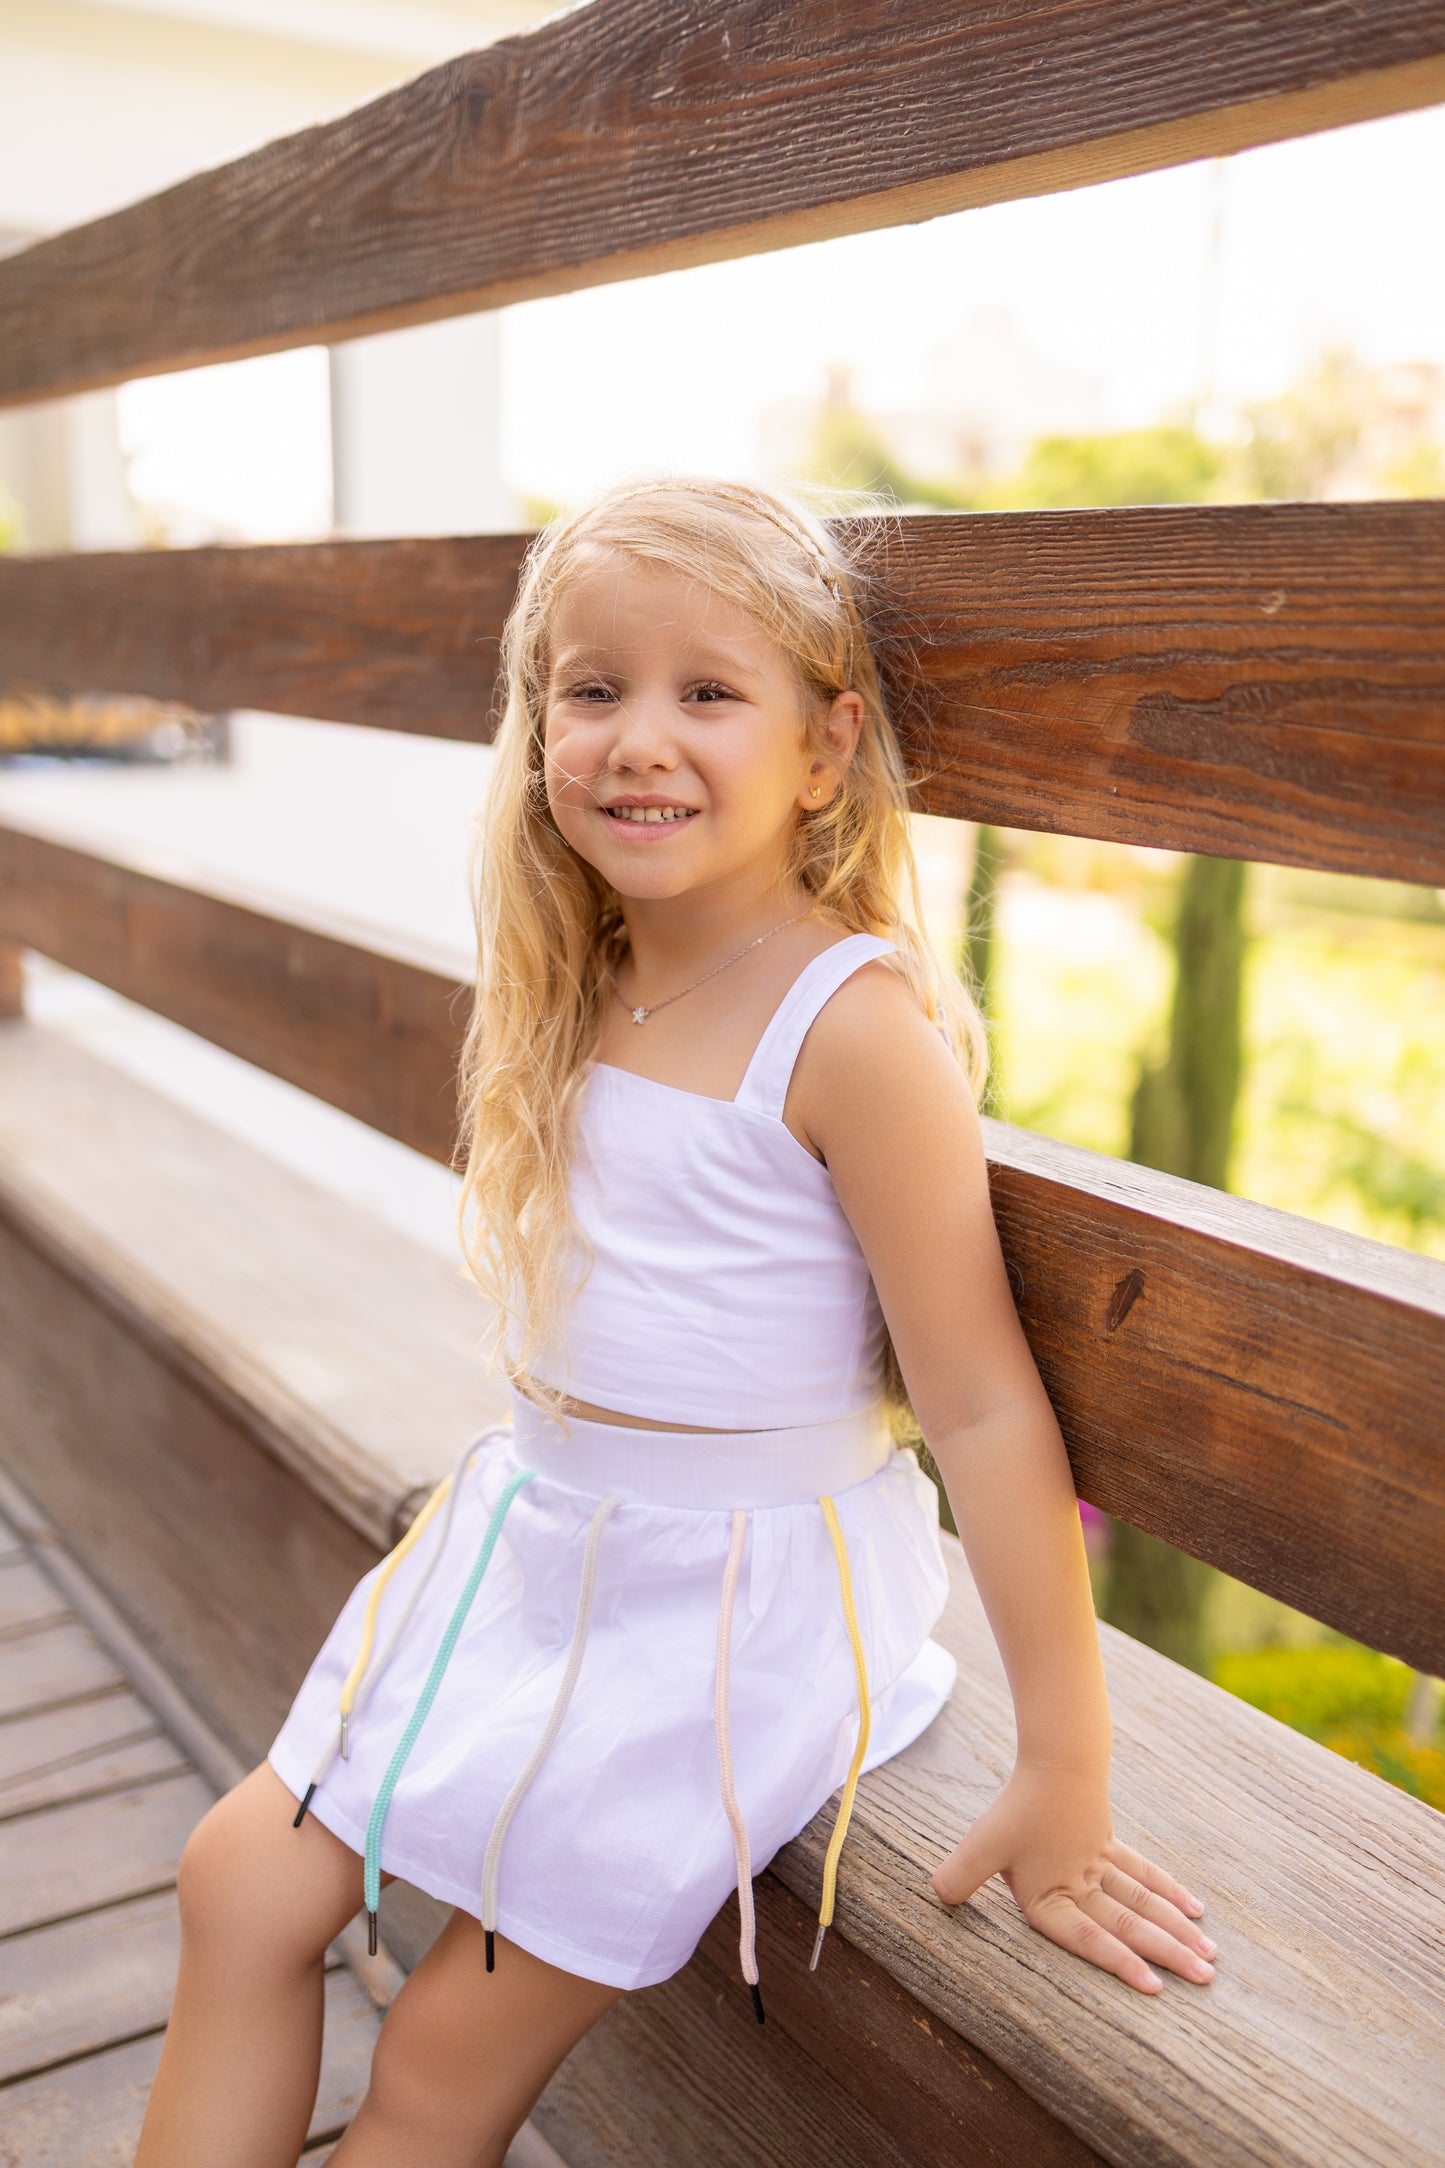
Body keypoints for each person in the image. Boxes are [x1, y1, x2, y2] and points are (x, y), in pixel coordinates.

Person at [136, 475, 1216, 2168]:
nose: (640, 737)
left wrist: (1061, 1772)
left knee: (432, 2058)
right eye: (592, 689)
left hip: (725, 1617)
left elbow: (989, 1410)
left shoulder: (848, 1034)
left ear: (824, 746)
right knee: (235, 1879)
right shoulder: (585, 977)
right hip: (538, 1554)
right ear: (537, 724)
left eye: (709, 692)